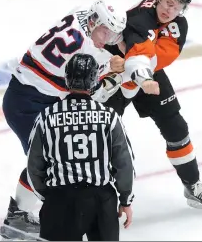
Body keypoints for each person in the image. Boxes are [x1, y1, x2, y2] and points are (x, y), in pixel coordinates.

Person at [0, 0, 126, 240]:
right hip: (26, 104)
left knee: (52, 155)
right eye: (104, 32)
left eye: (113, 35)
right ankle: (17, 217)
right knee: (50, 158)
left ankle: (22, 212)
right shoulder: (86, 52)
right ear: (93, 22)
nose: (107, 40)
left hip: (28, 95)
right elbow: (89, 90)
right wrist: (110, 70)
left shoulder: (78, 13)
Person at [103, 0, 202, 212]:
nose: (171, 10)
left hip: (146, 72)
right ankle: (87, 192)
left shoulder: (179, 25)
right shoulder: (140, 17)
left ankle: (192, 184)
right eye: (169, 2)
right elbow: (135, 56)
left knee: (176, 128)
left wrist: (137, 72)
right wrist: (130, 72)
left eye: (178, 7)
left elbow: (158, 59)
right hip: (114, 70)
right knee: (98, 130)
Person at [27, 53, 135, 241]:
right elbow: (124, 162)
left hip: (60, 199)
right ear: (94, 80)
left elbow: (34, 165)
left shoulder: (47, 117)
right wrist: (125, 199)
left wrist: (51, 198)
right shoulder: (108, 116)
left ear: (67, 78)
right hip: (101, 200)